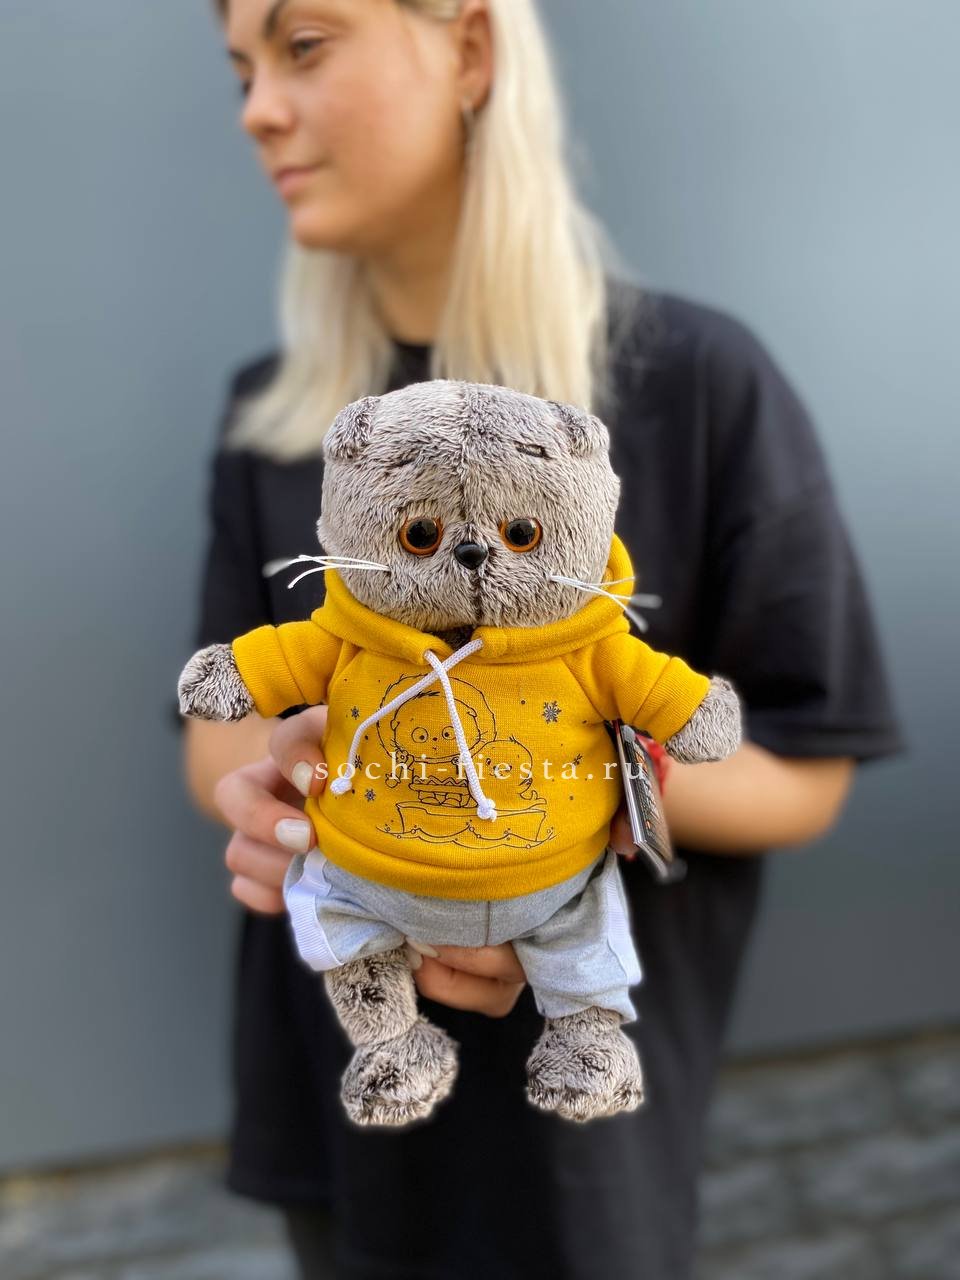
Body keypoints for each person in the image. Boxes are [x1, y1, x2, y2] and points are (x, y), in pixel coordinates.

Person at [182, 1, 905, 1276]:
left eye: (304, 46)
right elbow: (215, 739)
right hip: (342, 1089)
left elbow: (806, 771)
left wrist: (559, 786)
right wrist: (289, 782)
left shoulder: (697, 382)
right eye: (240, 69)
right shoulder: (282, 416)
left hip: (583, 1140)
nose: (258, 112)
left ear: (469, 50)